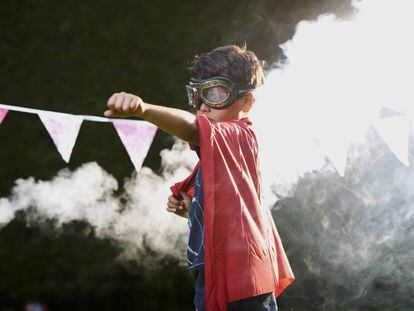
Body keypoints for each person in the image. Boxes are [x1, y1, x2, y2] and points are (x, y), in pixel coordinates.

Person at [104, 45, 294, 311]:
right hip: (216, 275)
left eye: (216, 93)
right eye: (199, 96)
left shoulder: (241, 135)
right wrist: (193, 209)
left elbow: (194, 129)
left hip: (242, 280)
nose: (204, 106)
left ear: (246, 102)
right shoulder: (222, 148)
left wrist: (143, 109)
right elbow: (231, 213)